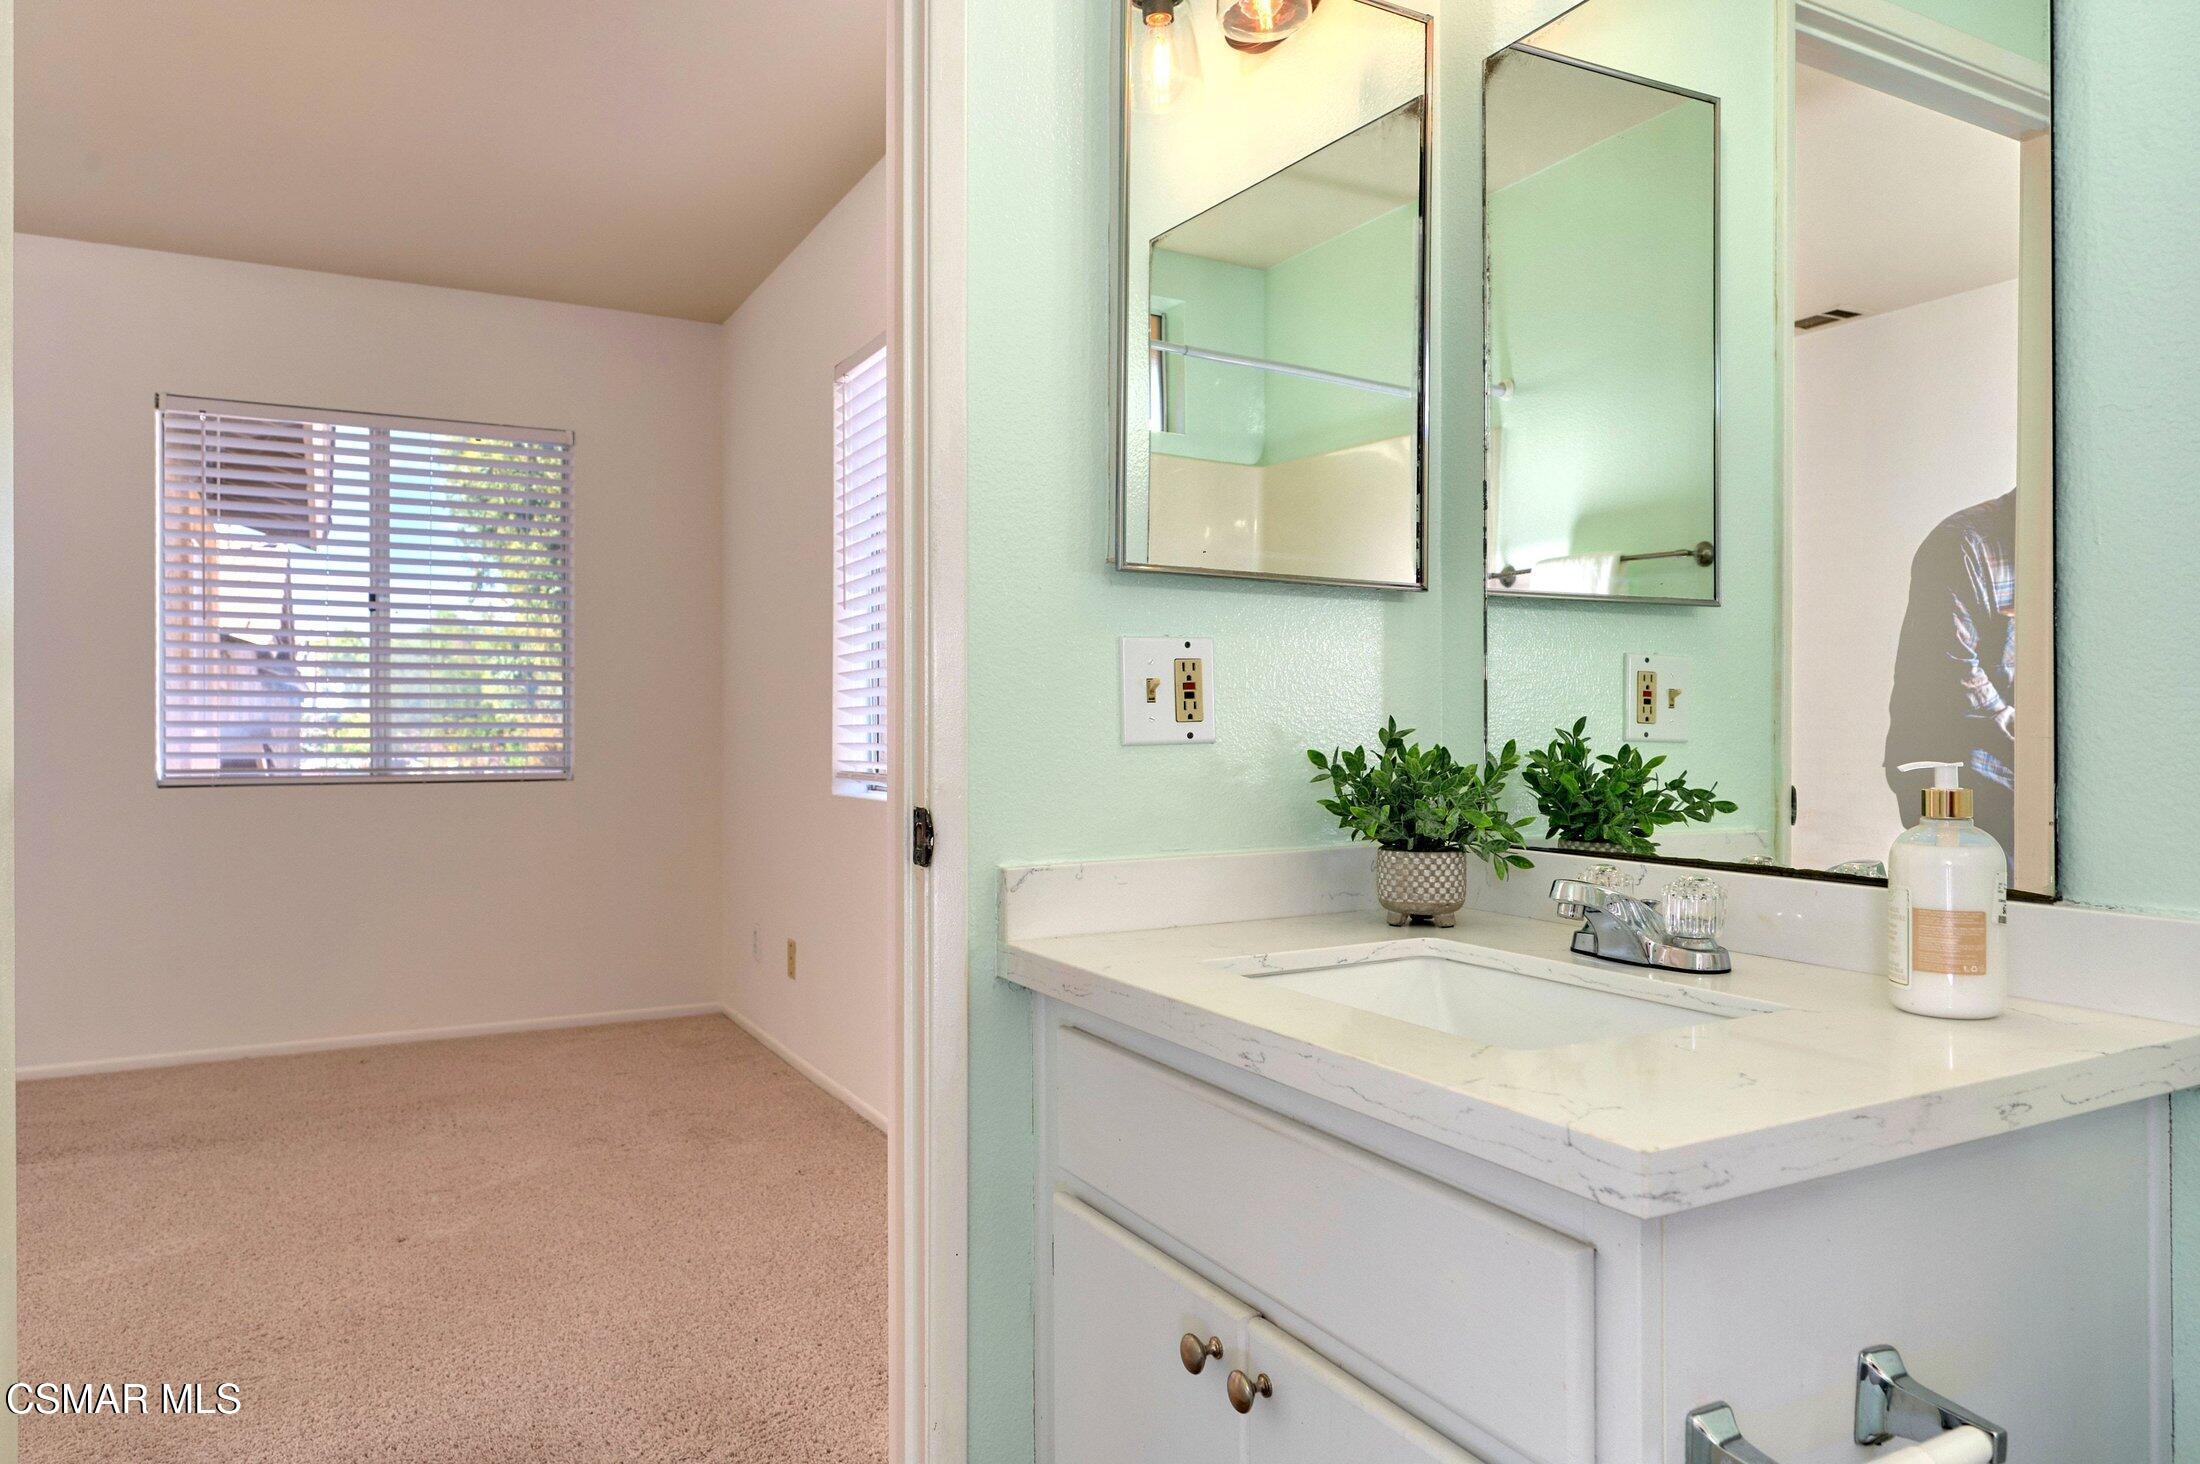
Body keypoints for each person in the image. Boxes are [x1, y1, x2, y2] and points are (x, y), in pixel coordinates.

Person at [1884, 491, 2016, 863]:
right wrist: (2036, 746)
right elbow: (1955, 670)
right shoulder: (1962, 542)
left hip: (2015, 767)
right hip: (1956, 769)